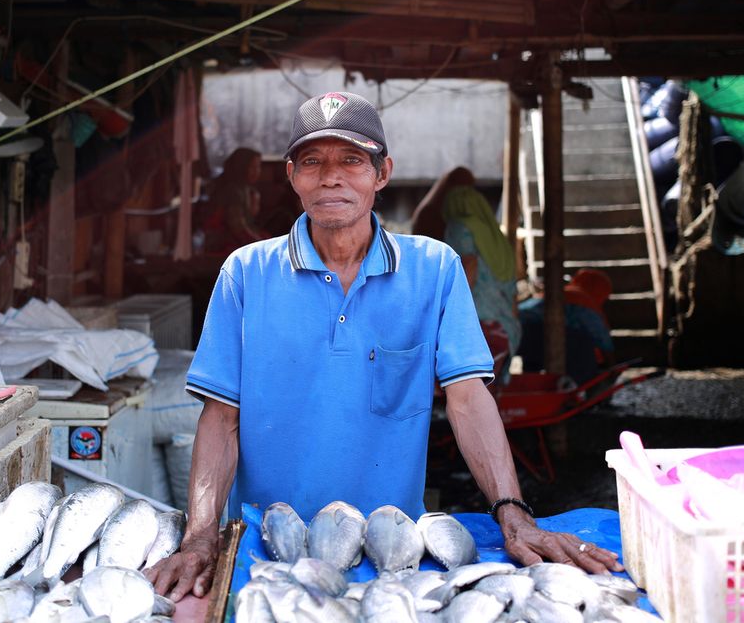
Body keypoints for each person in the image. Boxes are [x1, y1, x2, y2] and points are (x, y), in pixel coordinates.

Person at [148, 92, 621, 602]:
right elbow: (221, 417)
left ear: (382, 172)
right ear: (292, 175)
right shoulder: (245, 272)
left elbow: (468, 400)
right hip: (266, 551)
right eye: (313, 161)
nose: (331, 176)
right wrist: (200, 537)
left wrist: (513, 512)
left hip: (388, 552)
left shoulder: (435, 269)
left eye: (351, 159)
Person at [440, 170, 521, 386]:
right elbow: (514, 297)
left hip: (478, 326)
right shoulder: (499, 239)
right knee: (488, 392)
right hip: (507, 328)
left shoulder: (459, 227)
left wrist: (446, 314)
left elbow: (469, 266)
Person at [517, 268, 616, 386]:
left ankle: (530, 389)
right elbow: (602, 339)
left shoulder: (560, 292)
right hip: (540, 334)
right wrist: (612, 369)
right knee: (582, 345)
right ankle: (581, 392)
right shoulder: (584, 300)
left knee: (534, 356)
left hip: (517, 332)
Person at [200, 147, 269, 255]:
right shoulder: (232, 191)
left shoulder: (246, 189)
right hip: (222, 244)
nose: (257, 172)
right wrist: (261, 245)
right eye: (252, 167)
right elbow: (238, 228)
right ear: (241, 167)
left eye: (258, 167)